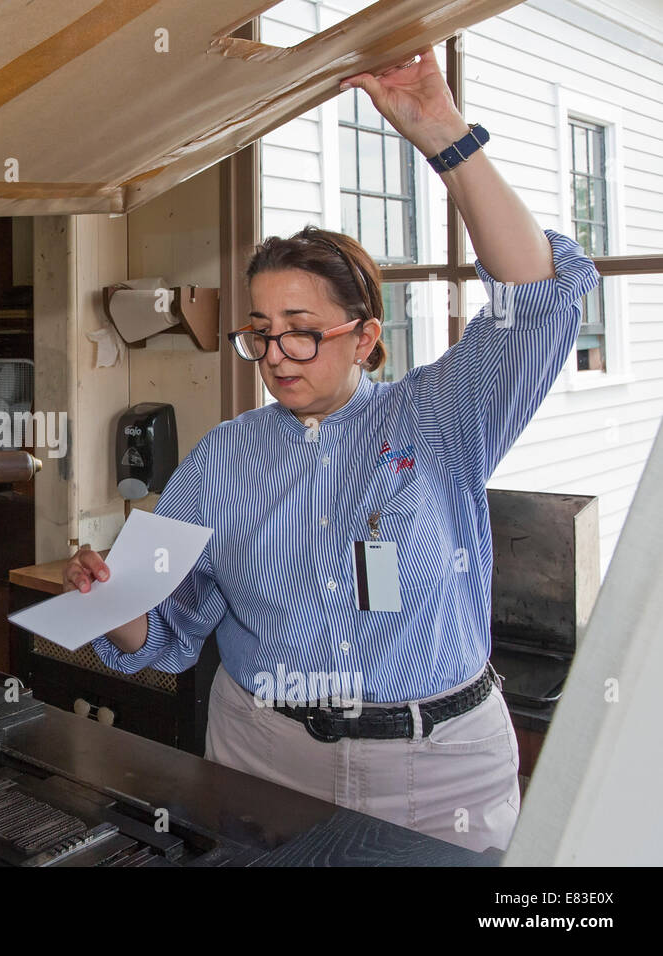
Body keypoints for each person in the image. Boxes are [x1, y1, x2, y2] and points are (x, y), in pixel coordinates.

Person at [63, 47, 600, 852]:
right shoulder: (222, 459)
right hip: (264, 757)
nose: (278, 355)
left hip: (436, 766)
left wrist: (445, 135)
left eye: (305, 333)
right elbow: (163, 632)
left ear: (367, 338)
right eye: (261, 334)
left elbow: (539, 295)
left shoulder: (443, 416)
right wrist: (113, 597)